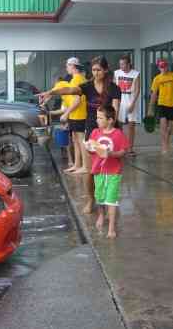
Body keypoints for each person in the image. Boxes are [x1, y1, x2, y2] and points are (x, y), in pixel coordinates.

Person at [38, 56, 121, 213]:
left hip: (110, 132)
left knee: (109, 172)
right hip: (92, 131)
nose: (95, 73)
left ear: (105, 70)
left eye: (99, 70)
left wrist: (109, 129)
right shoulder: (87, 87)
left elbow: (115, 110)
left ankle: (108, 200)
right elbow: (69, 90)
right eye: (94, 70)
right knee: (91, 171)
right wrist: (51, 92)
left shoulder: (114, 88)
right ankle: (91, 200)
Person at [85, 105, 129, 238]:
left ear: (110, 120)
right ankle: (101, 215)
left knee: (111, 199)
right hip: (98, 170)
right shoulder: (95, 133)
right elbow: (90, 149)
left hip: (113, 172)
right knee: (100, 197)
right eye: (97, 117)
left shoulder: (118, 134)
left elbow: (123, 151)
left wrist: (112, 153)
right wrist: (89, 147)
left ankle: (111, 228)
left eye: (100, 118)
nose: (97, 120)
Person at [60, 58, 89, 174]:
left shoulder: (77, 80)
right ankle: (77, 165)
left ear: (73, 66)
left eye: (67, 65)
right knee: (75, 140)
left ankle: (85, 166)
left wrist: (66, 113)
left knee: (81, 141)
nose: (66, 68)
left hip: (79, 115)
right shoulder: (77, 79)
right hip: (75, 115)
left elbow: (77, 101)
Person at [148, 59, 173, 154]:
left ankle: (167, 140)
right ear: (159, 68)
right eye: (161, 67)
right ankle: (164, 146)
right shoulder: (157, 79)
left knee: (171, 127)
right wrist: (151, 107)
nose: (163, 68)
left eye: (165, 66)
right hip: (162, 104)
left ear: (167, 66)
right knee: (163, 126)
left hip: (172, 104)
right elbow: (154, 94)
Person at [114, 54, 140, 156]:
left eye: (123, 64)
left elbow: (137, 90)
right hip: (120, 99)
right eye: (120, 64)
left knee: (131, 125)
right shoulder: (117, 73)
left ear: (128, 64)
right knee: (119, 125)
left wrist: (133, 104)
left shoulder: (135, 73)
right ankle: (121, 147)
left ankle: (130, 148)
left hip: (131, 99)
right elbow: (114, 87)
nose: (121, 66)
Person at [49, 74, 75, 168]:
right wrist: (50, 112)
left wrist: (65, 115)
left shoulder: (71, 94)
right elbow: (63, 109)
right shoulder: (64, 96)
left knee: (73, 140)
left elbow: (66, 109)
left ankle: (73, 160)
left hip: (77, 118)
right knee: (69, 139)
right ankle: (71, 159)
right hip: (71, 119)